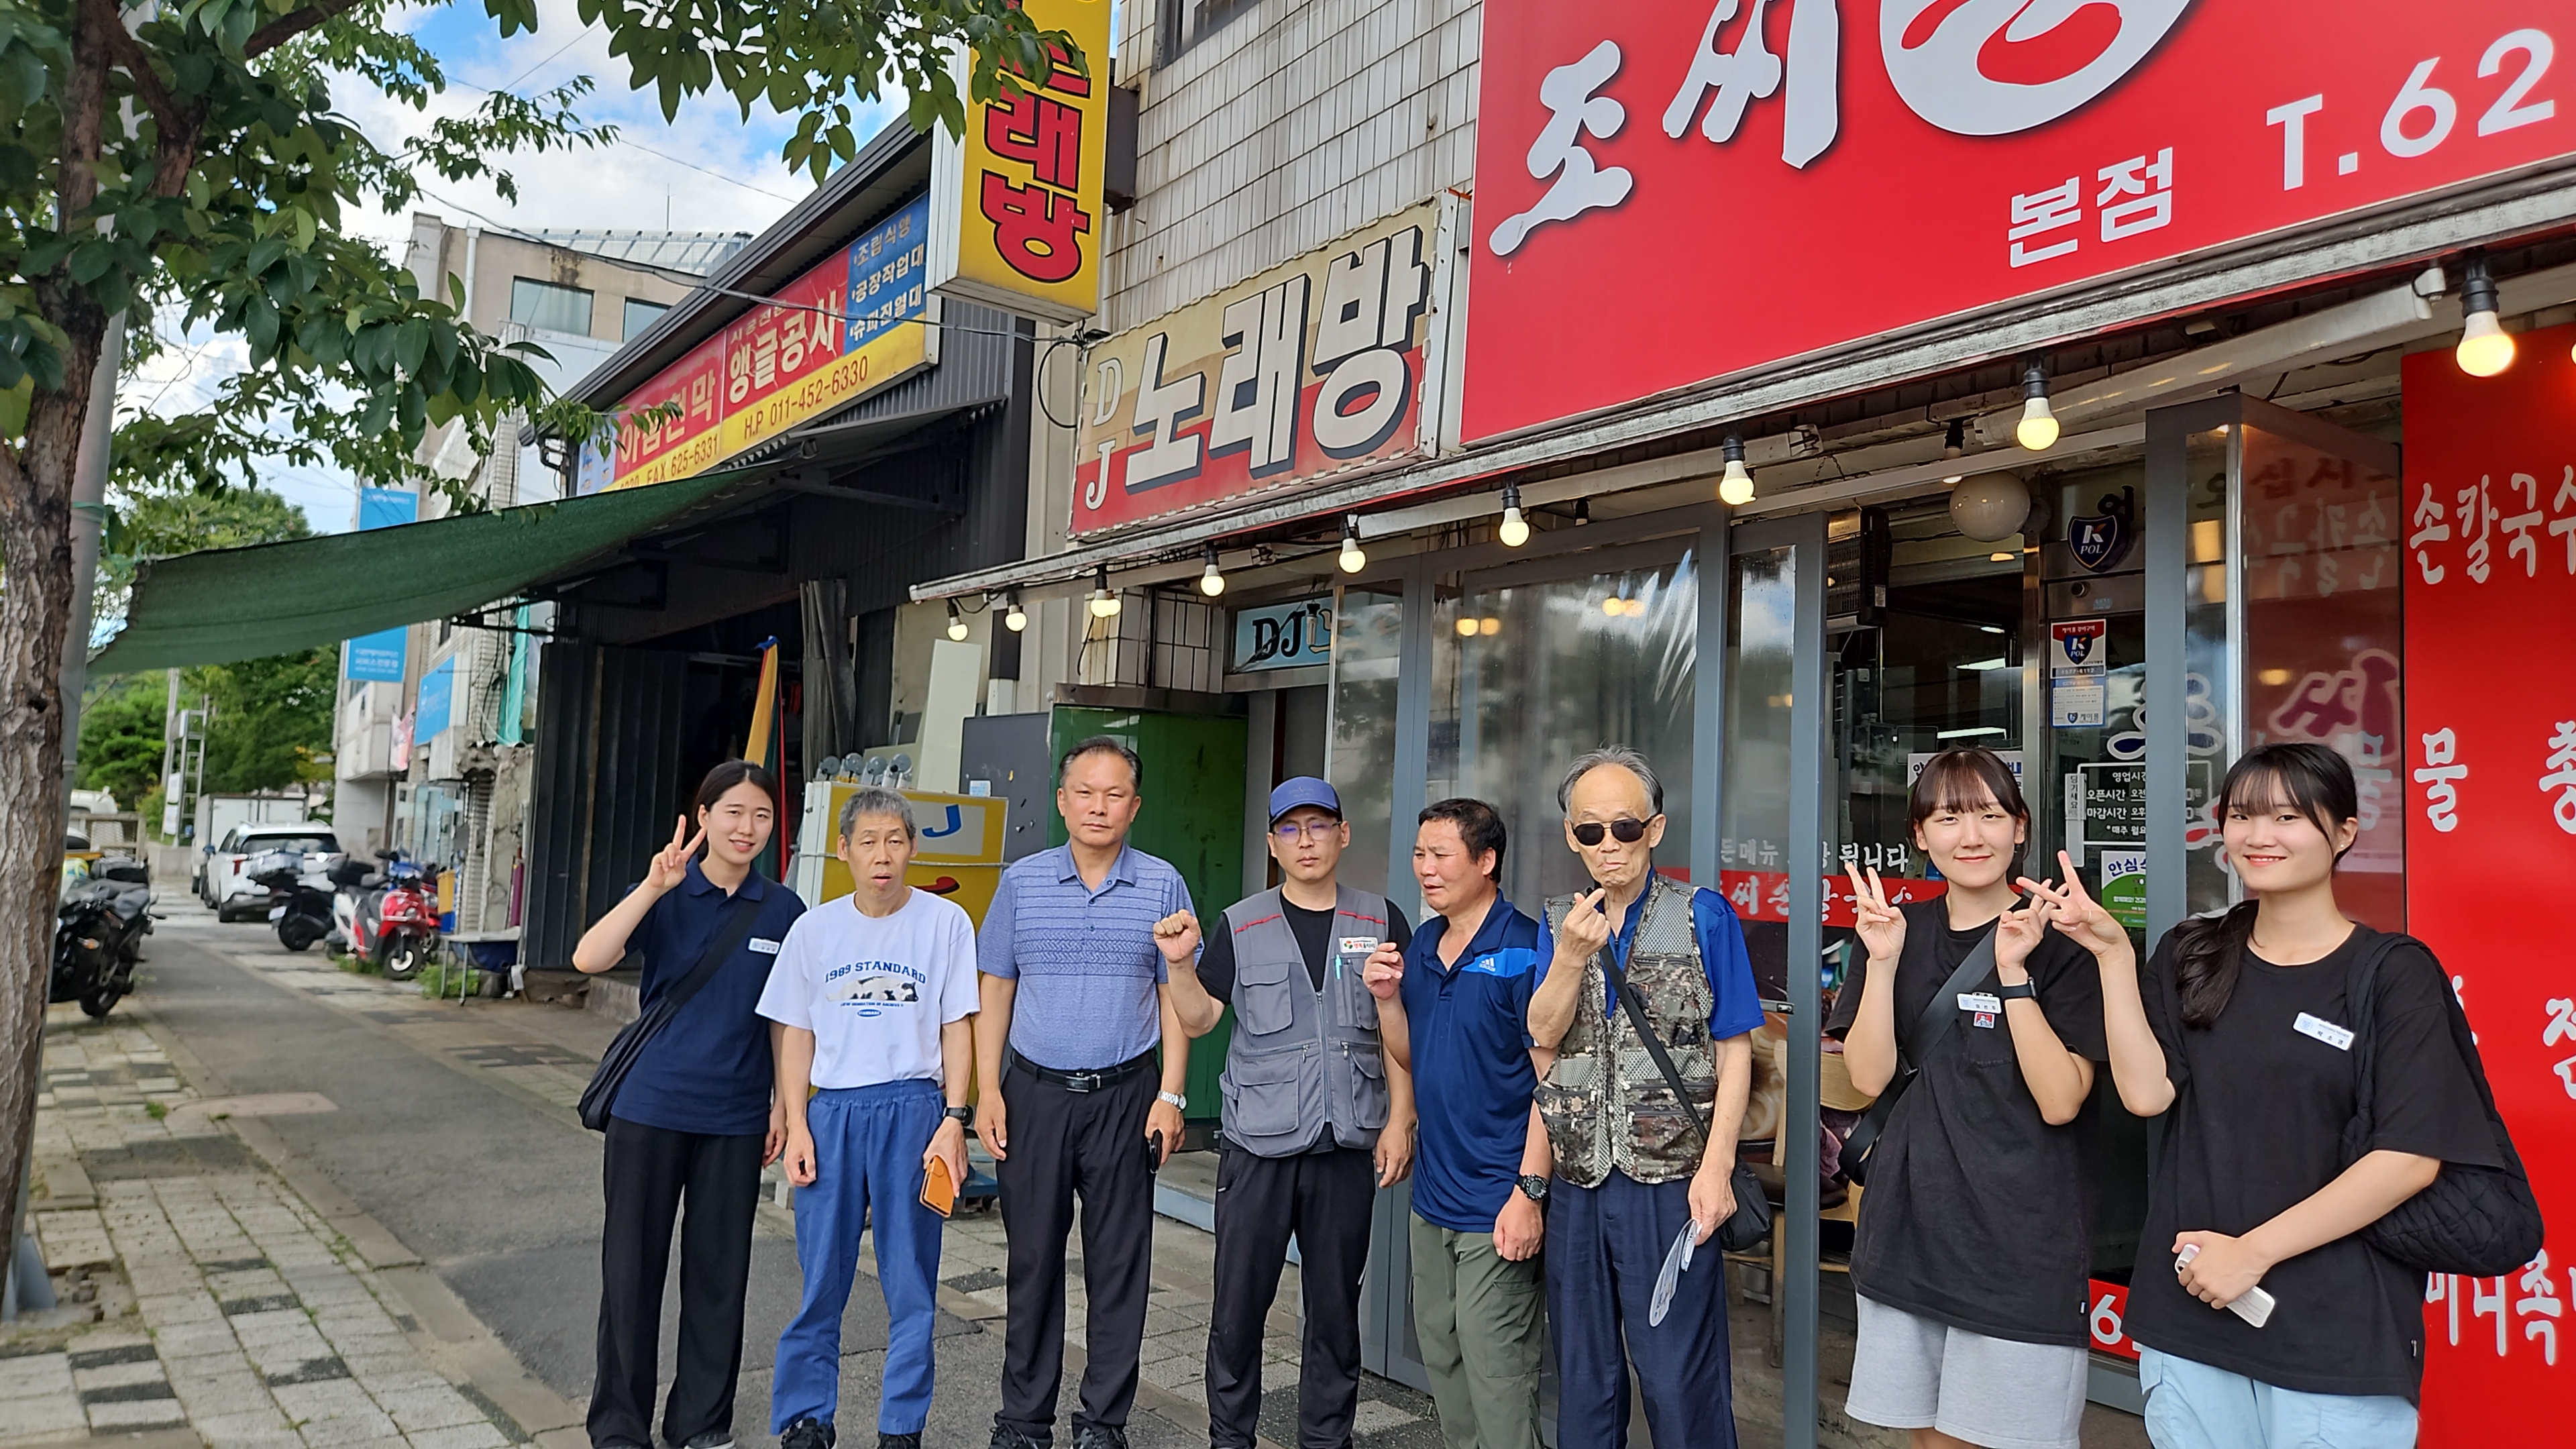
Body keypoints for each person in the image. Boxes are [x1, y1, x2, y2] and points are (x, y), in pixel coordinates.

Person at [2043, 741, 2503, 1449]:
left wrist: (2251, 1253)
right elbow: (2145, 1094)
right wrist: (2110, 955)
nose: (2260, 835)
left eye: (2288, 816)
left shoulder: (2392, 974)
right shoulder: (2193, 953)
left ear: (2344, 831)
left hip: (2331, 1333)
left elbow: (2409, 1158)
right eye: (2242, 816)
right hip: (2191, 1314)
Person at [1827, 748, 2111, 1449]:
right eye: (1949, 818)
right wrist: (1882, 962)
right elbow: (1869, 1077)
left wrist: (2014, 975)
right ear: (1921, 836)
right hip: (1908, 1231)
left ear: (2021, 827)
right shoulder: (1894, 933)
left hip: (2019, 1245)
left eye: (1990, 815)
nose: (1972, 836)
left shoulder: (2063, 943)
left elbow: (2061, 1101)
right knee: (1930, 1439)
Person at [1162, 777, 1418, 1449]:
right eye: (1290, 829)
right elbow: (1199, 1019)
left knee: (1335, 1316)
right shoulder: (1241, 923)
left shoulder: (1382, 920)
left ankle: (1327, 1441)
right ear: (1273, 844)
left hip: (1346, 1148)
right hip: (1258, 1148)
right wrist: (1181, 966)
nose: (1306, 841)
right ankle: (1230, 1439)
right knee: (1238, 1312)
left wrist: (1401, 1118)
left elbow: (1398, 1028)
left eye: (1319, 826)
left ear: (1344, 834)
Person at [1523, 747, 1764, 1449]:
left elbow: (1735, 1047)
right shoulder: (1556, 921)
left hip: (1671, 1179)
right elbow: (1542, 1033)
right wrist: (1570, 957)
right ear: (1572, 837)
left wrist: (1718, 1168)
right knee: (1584, 1377)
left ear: (1654, 830)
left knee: (1678, 1377)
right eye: (1590, 830)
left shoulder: (1701, 915)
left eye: (1624, 828)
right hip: (1579, 1179)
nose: (1609, 845)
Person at [572, 759, 806, 1449]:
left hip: (735, 1118)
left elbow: (786, 1020)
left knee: (719, 1277)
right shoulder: (666, 891)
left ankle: (701, 1424)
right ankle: (620, 1427)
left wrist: (782, 1106)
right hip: (650, 1109)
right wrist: (652, 886)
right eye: (733, 812)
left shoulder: (784, 910)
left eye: (761, 815)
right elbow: (589, 958)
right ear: (702, 817)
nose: (747, 827)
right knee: (631, 1272)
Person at [975, 737, 1195, 1449]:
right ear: (1063, 801)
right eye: (1086, 793)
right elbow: (995, 989)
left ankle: (1103, 1421)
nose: (1099, 807)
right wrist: (988, 1090)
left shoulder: (1162, 883)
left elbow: (1175, 996)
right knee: (1033, 1262)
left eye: (1115, 795)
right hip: (1033, 1094)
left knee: (1119, 1264)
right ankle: (1023, 1420)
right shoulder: (1023, 881)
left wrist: (1171, 1095)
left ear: (1135, 806)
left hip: (1127, 1096)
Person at [762, 788, 979, 1449]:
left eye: (895, 841)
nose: (882, 856)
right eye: (868, 842)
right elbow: (794, 1033)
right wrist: (797, 1124)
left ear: (912, 848)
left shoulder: (945, 923)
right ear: (844, 851)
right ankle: (807, 1418)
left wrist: (955, 1119)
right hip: (832, 1112)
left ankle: (901, 1427)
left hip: (913, 1110)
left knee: (911, 1280)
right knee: (820, 1275)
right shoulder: (814, 930)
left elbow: (957, 1026)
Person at [1360, 799, 1549, 1449]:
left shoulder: (1525, 950)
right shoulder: (1423, 945)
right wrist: (1387, 1000)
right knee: (1442, 1353)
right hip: (1434, 1193)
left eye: (1440, 855)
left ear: (1487, 860)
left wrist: (1529, 1193)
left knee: (1496, 1370)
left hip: (1498, 1198)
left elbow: (1552, 1082)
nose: (1425, 868)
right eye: (1420, 854)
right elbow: (1411, 1052)